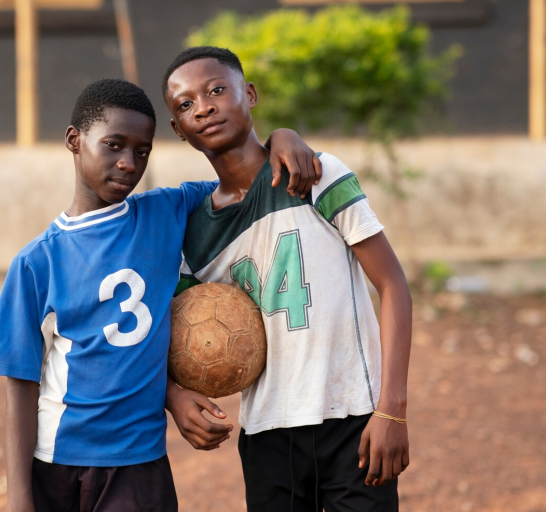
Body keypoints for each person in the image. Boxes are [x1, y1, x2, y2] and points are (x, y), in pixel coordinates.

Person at [0, 78, 320, 512]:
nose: (128, 164)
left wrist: (281, 138)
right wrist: (18, 497)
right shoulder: (36, 263)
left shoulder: (166, 211)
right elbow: (20, 388)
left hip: (140, 462)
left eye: (142, 152)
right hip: (58, 460)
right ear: (74, 140)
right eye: (114, 145)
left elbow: (243, 178)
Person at [163, 46, 412, 512]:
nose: (205, 106)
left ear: (250, 94)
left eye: (217, 89)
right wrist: (174, 396)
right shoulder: (194, 236)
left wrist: (392, 408)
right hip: (267, 436)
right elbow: (168, 333)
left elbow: (394, 286)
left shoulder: (313, 175)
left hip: (353, 418)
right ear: (178, 130)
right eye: (185, 104)